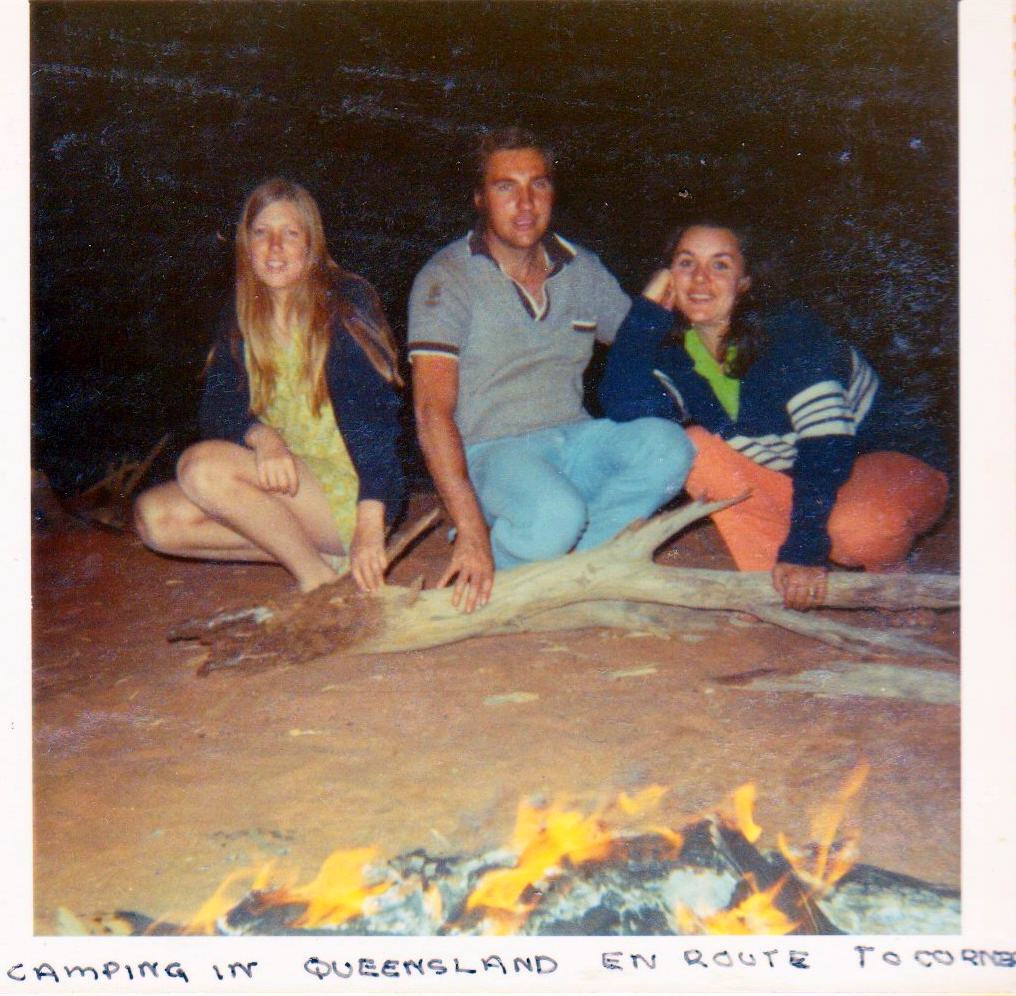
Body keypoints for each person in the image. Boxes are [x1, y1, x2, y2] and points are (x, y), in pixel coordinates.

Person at [408, 128, 693, 612]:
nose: (525, 204)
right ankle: (494, 564)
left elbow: (643, 345)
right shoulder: (447, 277)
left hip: (573, 441)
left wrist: (681, 300)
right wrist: (470, 530)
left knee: (670, 447)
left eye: (537, 185)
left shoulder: (582, 269)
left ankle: (582, 566)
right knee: (556, 514)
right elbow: (431, 412)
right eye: (505, 187)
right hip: (492, 451)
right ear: (479, 198)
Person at [600, 220, 950, 611]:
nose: (700, 278)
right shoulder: (680, 355)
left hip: (885, 466)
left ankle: (890, 578)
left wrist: (805, 548)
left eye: (720, 265)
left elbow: (826, 450)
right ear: (668, 277)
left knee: (858, 530)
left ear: (745, 281)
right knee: (693, 445)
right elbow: (625, 406)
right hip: (804, 480)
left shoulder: (791, 334)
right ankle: (768, 585)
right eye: (686, 263)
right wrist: (645, 316)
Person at [134, 178, 405, 594]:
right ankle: (325, 564)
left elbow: (376, 423)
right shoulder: (243, 314)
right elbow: (216, 409)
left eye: (290, 233)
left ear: (311, 244)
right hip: (288, 480)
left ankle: (315, 580)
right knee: (155, 518)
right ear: (246, 244)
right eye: (262, 232)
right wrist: (263, 437)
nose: (274, 247)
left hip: (356, 492)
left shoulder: (344, 301)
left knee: (202, 468)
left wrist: (369, 525)